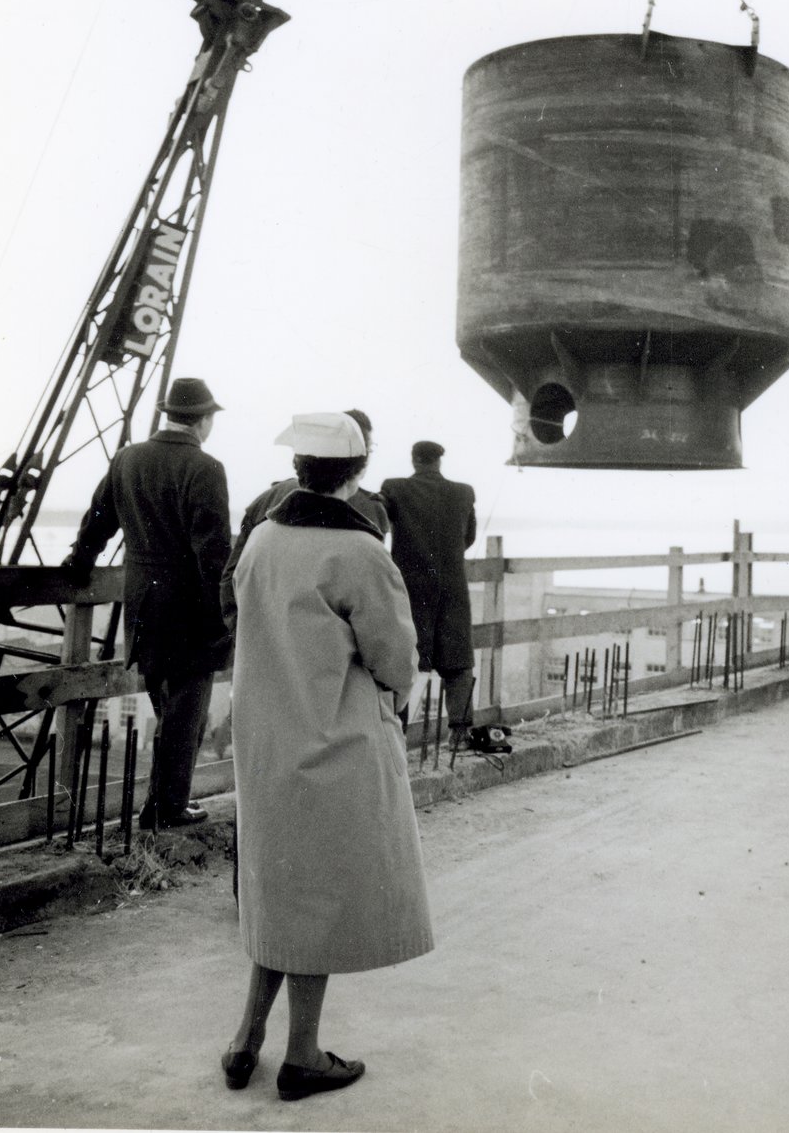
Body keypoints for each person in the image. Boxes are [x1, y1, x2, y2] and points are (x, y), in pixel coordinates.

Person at [223, 412, 432, 1101]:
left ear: (299, 466)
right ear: (356, 469)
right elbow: (395, 659)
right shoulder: (359, 552)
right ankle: (303, 1054)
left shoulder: (261, 537)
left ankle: (245, 1039)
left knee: (277, 890)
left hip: (264, 739)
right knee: (315, 897)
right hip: (333, 739)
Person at [66, 376, 231, 830]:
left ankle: (162, 802)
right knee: (186, 711)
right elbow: (214, 553)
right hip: (190, 610)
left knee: (170, 706)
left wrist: (79, 565)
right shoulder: (206, 468)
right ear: (203, 420)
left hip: (141, 605)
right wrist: (224, 615)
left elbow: (98, 520)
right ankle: (167, 808)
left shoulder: (127, 459)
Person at [220, 408, 386, 635]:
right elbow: (382, 628)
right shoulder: (370, 513)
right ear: (360, 459)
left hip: (261, 656)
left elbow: (231, 580)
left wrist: (246, 639)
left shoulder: (266, 502)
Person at [381, 440, 479, 746]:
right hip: (452, 588)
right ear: (439, 461)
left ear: (414, 460)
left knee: (404, 663)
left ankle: (396, 734)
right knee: (458, 663)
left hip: (410, 591)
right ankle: (460, 734)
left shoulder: (394, 489)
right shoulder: (463, 492)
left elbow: (377, 527)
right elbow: (470, 536)